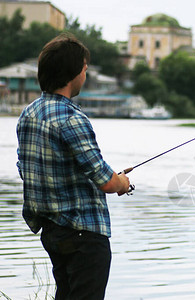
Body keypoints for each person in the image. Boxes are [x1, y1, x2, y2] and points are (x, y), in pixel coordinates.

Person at [16, 33, 130, 300]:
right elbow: (107, 182)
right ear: (73, 73)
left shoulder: (28, 114)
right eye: (84, 69)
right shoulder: (72, 118)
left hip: (53, 232)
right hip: (84, 237)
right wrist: (122, 182)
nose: (86, 74)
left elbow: (26, 169)